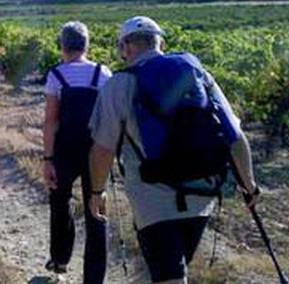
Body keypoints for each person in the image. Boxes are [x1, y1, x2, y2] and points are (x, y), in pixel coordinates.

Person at [88, 16, 260, 284]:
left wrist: (96, 191)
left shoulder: (119, 84)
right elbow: (235, 136)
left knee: (170, 276)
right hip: (201, 193)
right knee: (171, 272)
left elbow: (102, 148)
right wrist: (249, 185)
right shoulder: (198, 74)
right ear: (161, 43)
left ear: (125, 47)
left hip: (153, 201)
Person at [43, 21, 112, 284]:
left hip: (64, 151)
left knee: (60, 203)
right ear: (86, 45)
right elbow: (109, 117)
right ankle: (94, 279)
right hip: (97, 151)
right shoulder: (102, 73)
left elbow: (51, 121)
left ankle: (60, 260)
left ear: (63, 45)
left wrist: (48, 159)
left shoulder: (56, 75)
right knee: (97, 210)